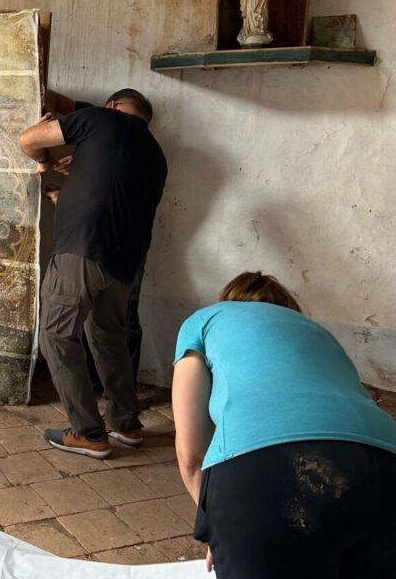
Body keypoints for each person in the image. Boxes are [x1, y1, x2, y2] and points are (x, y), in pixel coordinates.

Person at [173, 272, 396, 577]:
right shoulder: (318, 333)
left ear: (229, 300)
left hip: (266, 475)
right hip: (386, 461)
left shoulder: (204, 321)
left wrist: (218, 523)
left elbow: (192, 456)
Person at [19, 89, 166, 458]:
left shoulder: (102, 119)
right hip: (123, 263)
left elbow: (29, 139)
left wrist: (44, 160)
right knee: (108, 338)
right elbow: (108, 198)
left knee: (56, 335)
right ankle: (125, 423)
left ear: (113, 105)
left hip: (80, 252)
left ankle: (87, 432)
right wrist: (63, 193)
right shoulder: (155, 155)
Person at [42, 90, 146, 394]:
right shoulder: (97, 117)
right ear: (113, 106)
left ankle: (95, 421)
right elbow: (50, 96)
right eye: (131, 119)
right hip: (104, 244)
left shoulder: (141, 150)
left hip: (111, 245)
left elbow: (113, 197)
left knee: (115, 325)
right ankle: (117, 411)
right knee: (103, 328)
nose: (133, 129)